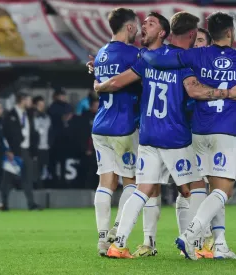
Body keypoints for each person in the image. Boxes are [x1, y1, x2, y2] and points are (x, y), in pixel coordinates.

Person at [95, 11, 236, 259]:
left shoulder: (149, 57)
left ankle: (118, 244)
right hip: (174, 136)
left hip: (148, 134)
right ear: (193, 34)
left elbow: (120, 81)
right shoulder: (183, 60)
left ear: (168, 31)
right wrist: (226, 94)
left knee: (142, 189)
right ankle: (196, 243)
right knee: (197, 186)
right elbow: (194, 90)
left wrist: (99, 81)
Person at [141, 6, 236, 260]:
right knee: (223, 191)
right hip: (224, 133)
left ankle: (218, 245)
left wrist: (141, 53)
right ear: (230, 31)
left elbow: (158, 61)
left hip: (197, 132)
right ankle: (190, 236)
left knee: (203, 189)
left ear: (209, 33)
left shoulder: (197, 57)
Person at [89, 7, 141, 256]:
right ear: (129, 27)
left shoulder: (101, 54)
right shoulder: (133, 54)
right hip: (123, 125)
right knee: (131, 180)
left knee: (105, 182)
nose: (139, 31)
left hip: (100, 126)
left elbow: (100, 80)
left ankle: (101, 238)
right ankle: (117, 230)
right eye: (138, 26)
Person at [1, 92, 40, 210]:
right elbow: (4, 134)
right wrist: (8, 150)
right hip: (14, 151)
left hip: (26, 150)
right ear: (22, 100)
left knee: (28, 177)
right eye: (28, 100)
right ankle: (5, 204)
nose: (30, 103)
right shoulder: (9, 114)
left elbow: (32, 132)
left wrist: (34, 150)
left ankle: (31, 204)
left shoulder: (29, 114)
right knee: (8, 178)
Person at [32, 96, 52, 188]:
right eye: (39, 105)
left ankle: (43, 185)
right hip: (36, 147)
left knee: (45, 167)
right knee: (36, 169)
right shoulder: (31, 117)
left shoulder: (47, 117)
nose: (41, 107)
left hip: (45, 147)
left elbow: (50, 131)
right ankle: (36, 185)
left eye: (43, 105)